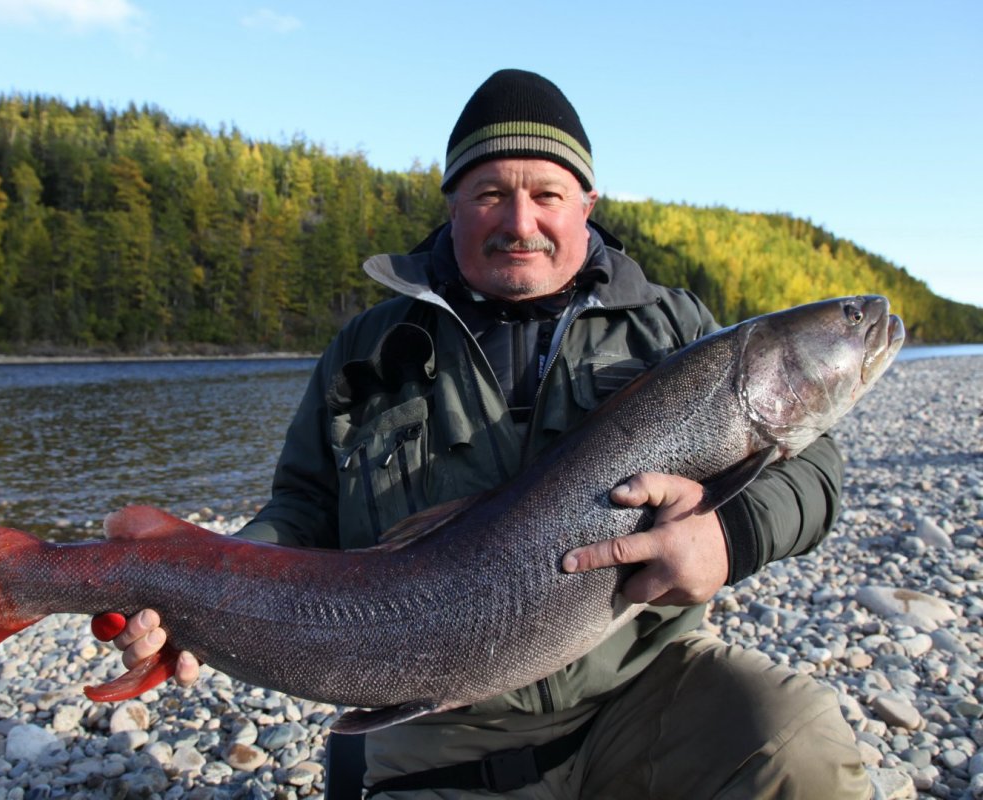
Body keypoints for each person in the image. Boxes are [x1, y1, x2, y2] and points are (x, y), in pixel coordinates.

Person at [101, 69, 870, 798]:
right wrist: (193, 585)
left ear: (587, 202)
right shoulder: (367, 348)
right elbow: (301, 512)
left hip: (643, 688)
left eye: (547, 193)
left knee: (800, 745)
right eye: (490, 193)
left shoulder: (675, 331)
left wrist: (726, 537)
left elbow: (815, 471)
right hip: (441, 726)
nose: (520, 221)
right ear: (452, 203)